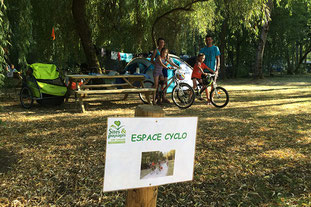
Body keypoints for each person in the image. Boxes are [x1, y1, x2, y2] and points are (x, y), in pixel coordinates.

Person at [151, 38, 170, 103]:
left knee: (165, 83)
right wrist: (157, 64)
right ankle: (158, 97)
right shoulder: (156, 50)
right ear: (158, 43)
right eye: (160, 42)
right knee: (157, 84)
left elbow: (168, 60)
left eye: (163, 42)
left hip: (164, 69)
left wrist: (166, 64)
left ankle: (164, 97)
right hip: (159, 69)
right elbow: (152, 59)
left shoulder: (165, 51)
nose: (162, 44)